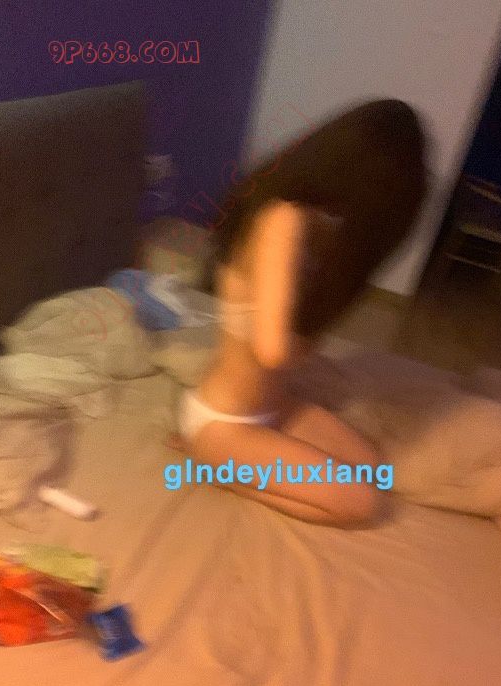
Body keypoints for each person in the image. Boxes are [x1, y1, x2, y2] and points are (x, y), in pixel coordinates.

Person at [175, 98, 427, 526]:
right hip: (225, 421)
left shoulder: (315, 223)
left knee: (374, 468)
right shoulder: (282, 220)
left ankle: (226, 462)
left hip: (275, 406)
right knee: (363, 503)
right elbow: (273, 351)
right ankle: (211, 465)